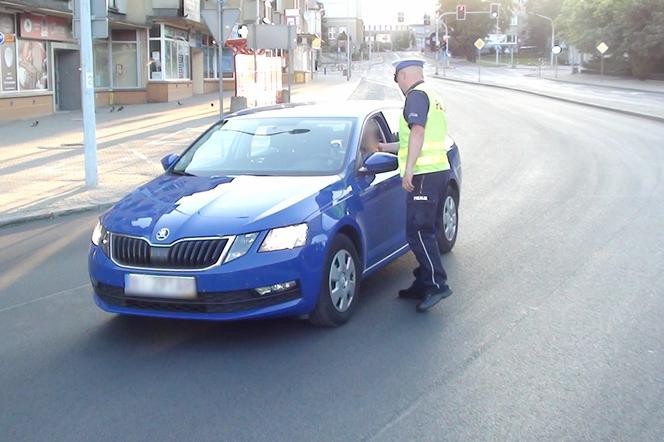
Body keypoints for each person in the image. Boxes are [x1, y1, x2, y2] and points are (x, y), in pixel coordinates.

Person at [377, 58, 453, 312]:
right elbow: (413, 139)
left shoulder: (416, 96)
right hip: (438, 171)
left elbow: (418, 133)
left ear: (405, 76)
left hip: (424, 174)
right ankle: (422, 282)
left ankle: (436, 283)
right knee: (423, 231)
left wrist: (408, 170)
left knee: (418, 232)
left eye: (397, 78)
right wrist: (383, 148)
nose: (397, 83)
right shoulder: (432, 95)